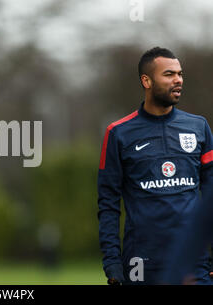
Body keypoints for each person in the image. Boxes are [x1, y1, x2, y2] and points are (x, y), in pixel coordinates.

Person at [97, 47, 213, 285]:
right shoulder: (118, 133)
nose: (178, 80)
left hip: (193, 260)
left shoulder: (198, 127)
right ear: (146, 81)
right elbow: (108, 204)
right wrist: (112, 262)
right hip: (141, 262)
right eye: (169, 74)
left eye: (180, 74)